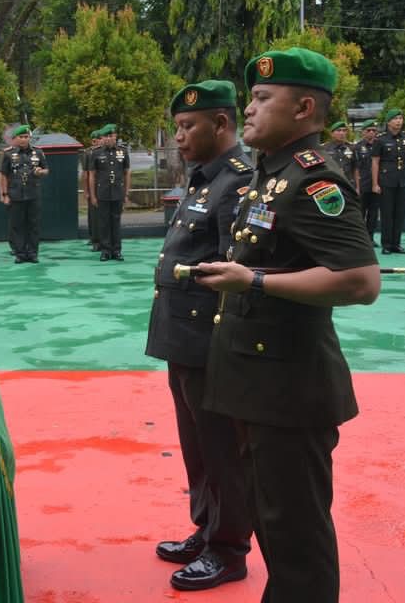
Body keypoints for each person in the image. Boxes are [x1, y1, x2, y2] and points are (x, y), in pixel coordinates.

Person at [195, 47, 381, 603]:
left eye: (260, 98)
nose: (247, 110)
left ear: (303, 108)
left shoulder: (312, 181)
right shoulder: (269, 176)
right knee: (274, 524)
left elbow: (360, 281)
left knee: (296, 537)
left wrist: (252, 281)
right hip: (257, 384)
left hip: (290, 391)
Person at [145, 79, 254, 591]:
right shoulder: (203, 179)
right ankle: (207, 529)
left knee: (222, 448)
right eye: (178, 127)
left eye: (189, 127)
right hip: (181, 337)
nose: (180, 137)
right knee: (196, 446)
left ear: (222, 124)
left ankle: (229, 548)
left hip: (211, 341)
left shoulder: (238, 182)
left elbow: (238, 265)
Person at [0, 124, 49, 263]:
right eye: (21, 137)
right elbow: (3, 175)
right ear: (16, 138)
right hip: (15, 194)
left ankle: (32, 253)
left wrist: (40, 171)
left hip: (33, 194)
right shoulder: (9, 153)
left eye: (26, 137)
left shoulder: (38, 152)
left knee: (33, 224)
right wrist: (4, 194)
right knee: (17, 225)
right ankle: (20, 253)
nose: (24, 139)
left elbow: (46, 170)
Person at [372, 109, 405, 254]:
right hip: (386, 180)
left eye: (401, 118)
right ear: (389, 122)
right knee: (387, 213)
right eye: (396, 119)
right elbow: (375, 162)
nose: (399, 121)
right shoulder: (380, 139)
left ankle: (396, 243)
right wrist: (375, 183)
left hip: (403, 180)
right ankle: (386, 244)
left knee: (400, 213)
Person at [88, 123, 132, 260]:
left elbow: (127, 173)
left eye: (110, 136)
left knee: (116, 221)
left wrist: (126, 193)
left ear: (115, 136)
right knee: (104, 222)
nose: (108, 139)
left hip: (117, 192)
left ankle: (117, 250)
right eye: (105, 136)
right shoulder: (96, 153)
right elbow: (92, 175)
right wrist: (93, 195)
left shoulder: (123, 152)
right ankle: (106, 250)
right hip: (103, 192)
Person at [354, 120, 379, 245]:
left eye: (374, 130)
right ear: (363, 132)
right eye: (368, 130)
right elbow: (356, 168)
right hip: (363, 184)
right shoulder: (357, 147)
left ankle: (371, 237)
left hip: (376, 185)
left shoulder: (379, 145)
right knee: (361, 212)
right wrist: (357, 186)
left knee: (373, 213)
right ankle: (361, 238)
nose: (371, 133)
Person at [84, 129, 103, 251]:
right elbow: (86, 174)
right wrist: (87, 191)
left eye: (99, 139)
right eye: (95, 140)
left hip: (105, 186)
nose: (97, 142)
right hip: (94, 187)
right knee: (94, 215)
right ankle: (95, 238)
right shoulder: (89, 153)